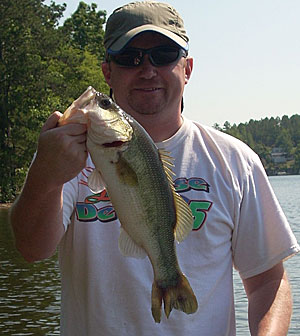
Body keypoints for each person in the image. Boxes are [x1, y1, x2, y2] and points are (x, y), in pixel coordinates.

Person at [10, 1, 299, 335]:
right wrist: (44, 177)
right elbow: (31, 250)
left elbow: (268, 281)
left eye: (162, 55)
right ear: (108, 71)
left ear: (187, 68)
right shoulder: (63, 154)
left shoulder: (235, 161)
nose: (147, 70)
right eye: (130, 58)